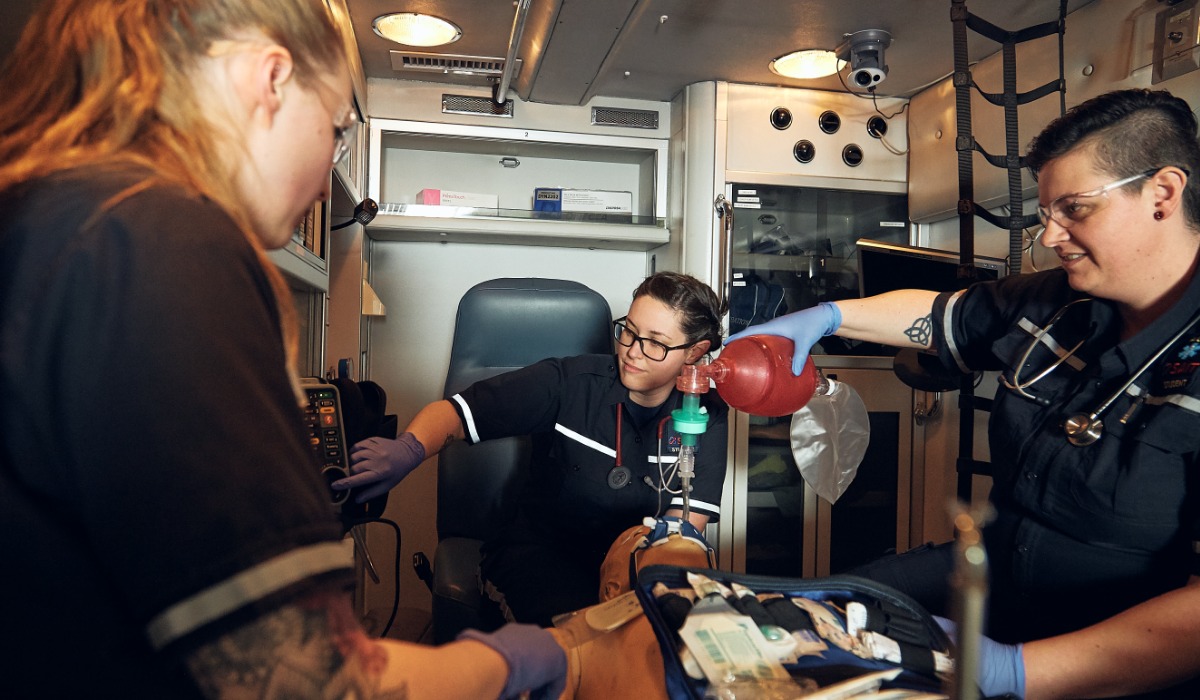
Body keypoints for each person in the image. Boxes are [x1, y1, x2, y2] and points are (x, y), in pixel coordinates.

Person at [0, 1, 564, 698]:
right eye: (335, 131)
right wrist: (520, 661)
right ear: (269, 79)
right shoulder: (161, 245)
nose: (328, 179)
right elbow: (305, 684)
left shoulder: (54, 216)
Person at [729, 88, 1200, 699]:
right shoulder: (1057, 302)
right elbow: (936, 313)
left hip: (1110, 651)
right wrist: (828, 316)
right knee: (819, 614)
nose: (1050, 236)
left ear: (1162, 194)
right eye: (1046, 212)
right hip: (993, 573)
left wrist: (1018, 672)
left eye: (1075, 210)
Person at [333, 271, 729, 625]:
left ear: (695, 351)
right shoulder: (570, 382)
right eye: (629, 331)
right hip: (540, 555)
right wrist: (409, 449)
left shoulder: (704, 416)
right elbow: (458, 412)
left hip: (634, 567)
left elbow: (682, 531)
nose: (632, 350)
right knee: (579, 642)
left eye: (655, 343)